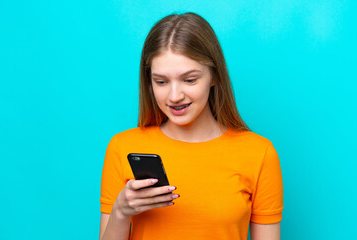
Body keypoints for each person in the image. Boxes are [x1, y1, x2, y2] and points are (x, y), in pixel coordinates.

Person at [99, 12, 283, 240]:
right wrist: (120, 212)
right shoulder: (122, 147)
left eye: (189, 79)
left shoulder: (259, 154)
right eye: (161, 81)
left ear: (214, 76)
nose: (175, 96)